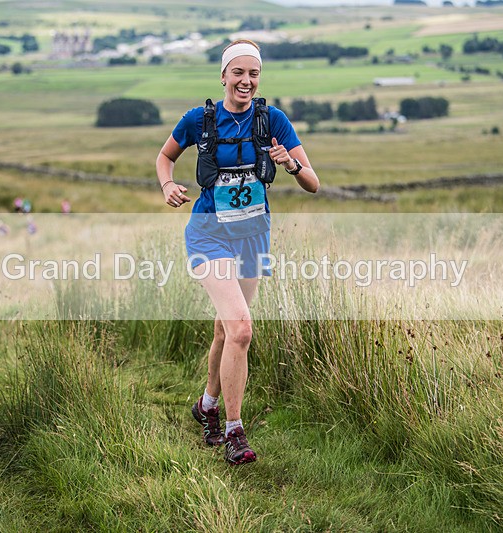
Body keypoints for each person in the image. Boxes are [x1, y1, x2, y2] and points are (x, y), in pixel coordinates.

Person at [155, 39, 319, 465]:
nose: (246, 81)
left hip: (253, 234)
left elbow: (313, 183)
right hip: (209, 233)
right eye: (239, 72)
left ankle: (207, 405)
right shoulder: (199, 120)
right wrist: (168, 184)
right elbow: (165, 157)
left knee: (227, 330)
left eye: (254, 74)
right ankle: (234, 431)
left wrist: (291, 164)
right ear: (224, 75)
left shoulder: (273, 120)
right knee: (242, 328)